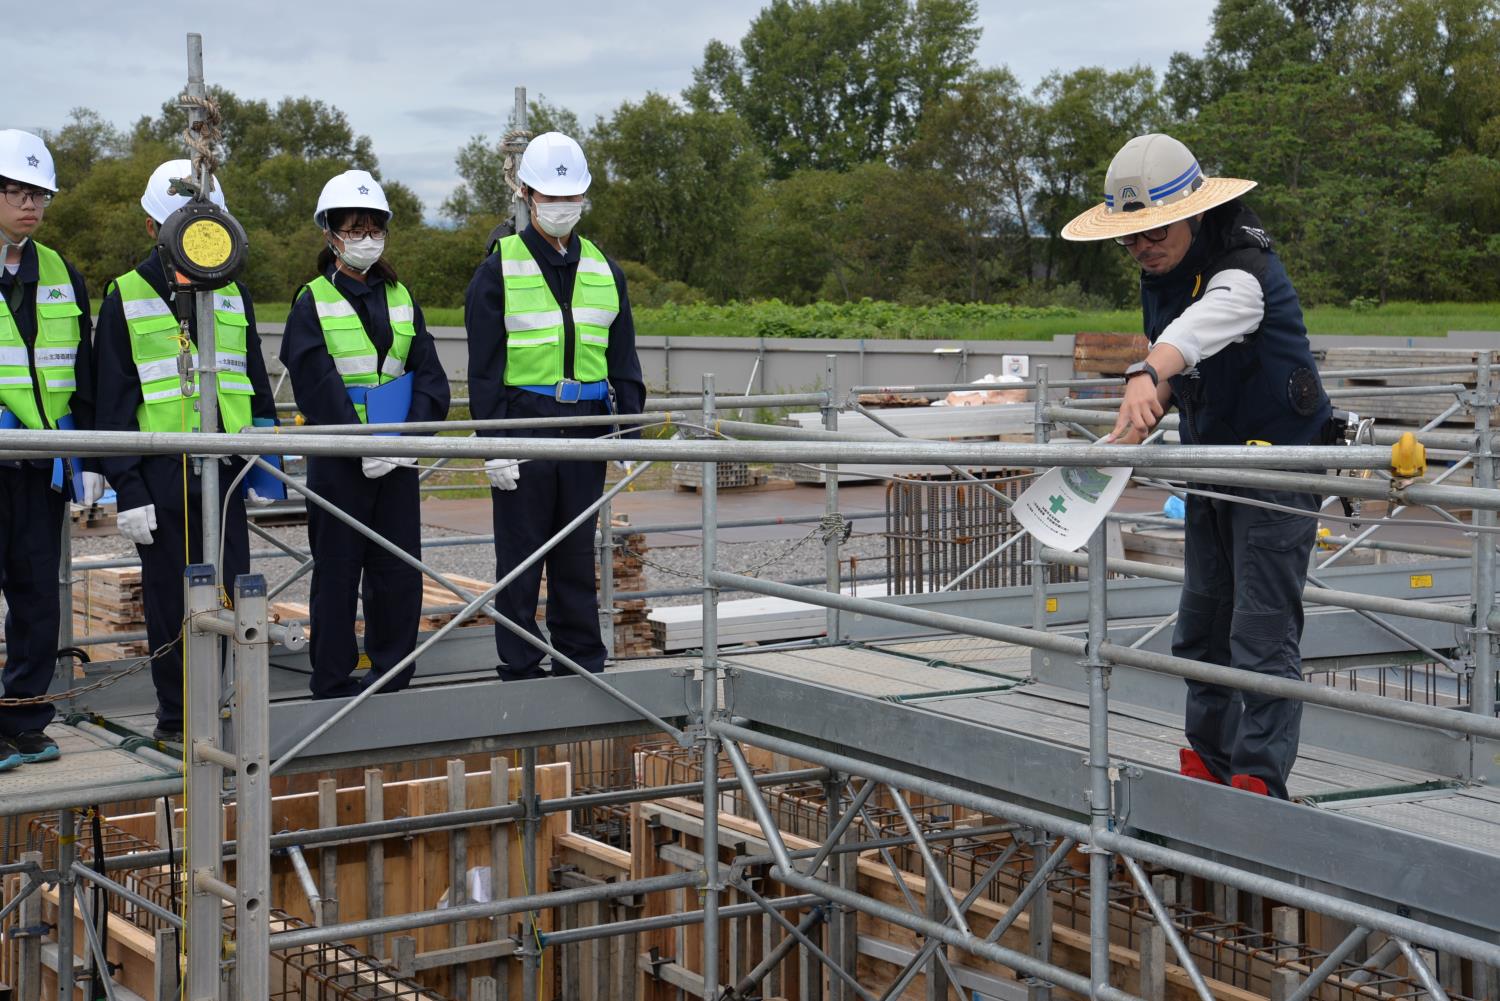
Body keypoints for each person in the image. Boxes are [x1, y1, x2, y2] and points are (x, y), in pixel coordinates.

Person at [1062, 133, 1332, 800]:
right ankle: (1210, 761)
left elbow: (1205, 324)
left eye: (1154, 229)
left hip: (1279, 472)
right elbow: (1173, 360)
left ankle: (1259, 780)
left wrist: (1150, 370)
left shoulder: (1244, 267)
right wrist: (1123, 437)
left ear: (1194, 212)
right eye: (1129, 237)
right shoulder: (1160, 276)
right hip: (1212, 466)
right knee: (1202, 625)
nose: (1143, 247)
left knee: (1261, 630)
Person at [94, 160, 278, 743]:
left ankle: (228, 707)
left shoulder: (233, 294)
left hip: (222, 474)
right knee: (173, 601)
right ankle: (179, 719)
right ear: (155, 228)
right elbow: (113, 398)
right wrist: (127, 485)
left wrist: (265, 463)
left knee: (235, 591)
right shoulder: (127, 295)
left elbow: (251, 374)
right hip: (160, 473)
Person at [465, 132, 645, 681]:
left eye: (572, 198)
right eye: (551, 196)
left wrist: (629, 433)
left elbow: (623, 355)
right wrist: (494, 445)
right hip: (526, 422)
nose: (563, 207)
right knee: (521, 555)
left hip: (586, 427)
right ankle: (519, 661)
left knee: (574, 554)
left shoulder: (603, 268)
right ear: (526, 194)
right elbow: (485, 366)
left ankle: (581, 659)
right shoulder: (499, 268)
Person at [280, 170, 449, 699]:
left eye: (373, 228)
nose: (366, 238)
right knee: (337, 571)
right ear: (330, 234)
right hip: (339, 458)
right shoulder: (311, 301)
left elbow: (431, 377)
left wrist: (403, 439)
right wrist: (360, 444)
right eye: (354, 229)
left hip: (395, 458)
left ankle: (393, 671)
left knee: (397, 571)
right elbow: (315, 384)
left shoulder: (401, 296)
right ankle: (331, 679)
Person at [0, 130, 103, 768]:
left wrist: (89, 457)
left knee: (37, 595)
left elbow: (81, 373)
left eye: (39, 193)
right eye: (16, 190)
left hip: (40, 462)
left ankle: (24, 721)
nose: (31, 204)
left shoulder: (62, 271)